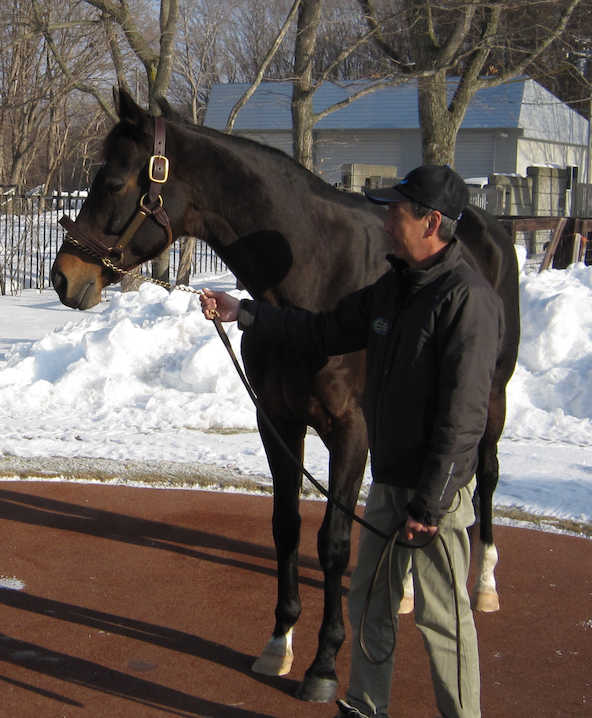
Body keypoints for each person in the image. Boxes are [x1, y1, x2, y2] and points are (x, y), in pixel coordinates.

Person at [200, 165, 502, 718]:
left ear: (432, 221)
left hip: (434, 498)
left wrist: (429, 504)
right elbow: (320, 331)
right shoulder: (393, 289)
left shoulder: (467, 301)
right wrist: (243, 313)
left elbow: (464, 419)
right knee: (368, 604)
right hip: (389, 484)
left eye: (397, 211)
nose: (384, 221)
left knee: (442, 620)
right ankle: (364, 706)